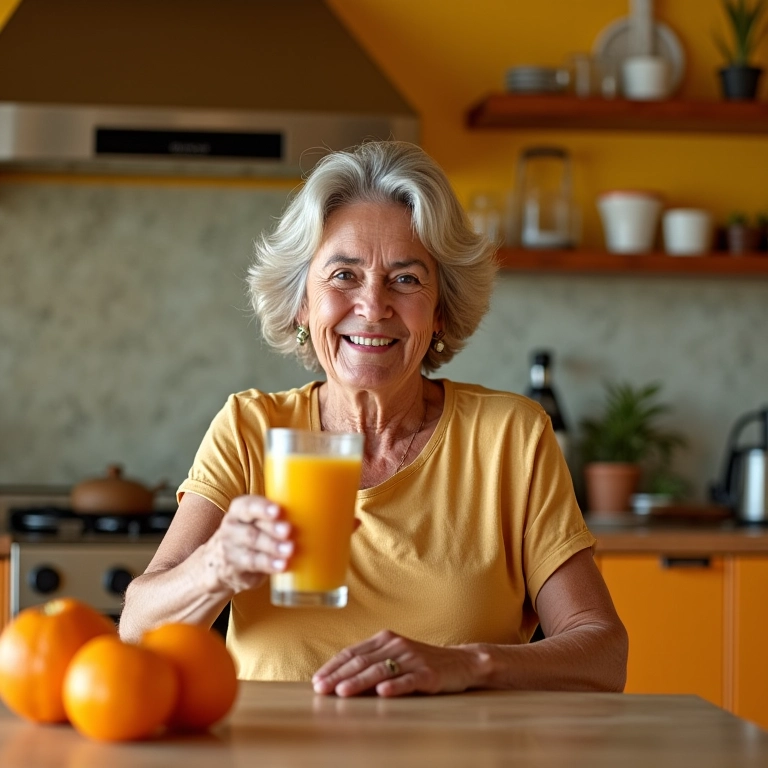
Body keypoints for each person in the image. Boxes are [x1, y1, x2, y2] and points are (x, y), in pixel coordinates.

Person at [120, 140, 628, 697]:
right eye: (343, 275)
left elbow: (604, 654)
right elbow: (138, 630)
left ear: (439, 312)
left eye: (406, 279)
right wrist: (215, 566)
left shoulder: (510, 437)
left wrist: (470, 664)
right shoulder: (251, 429)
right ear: (302, 304)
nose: (373, 305)